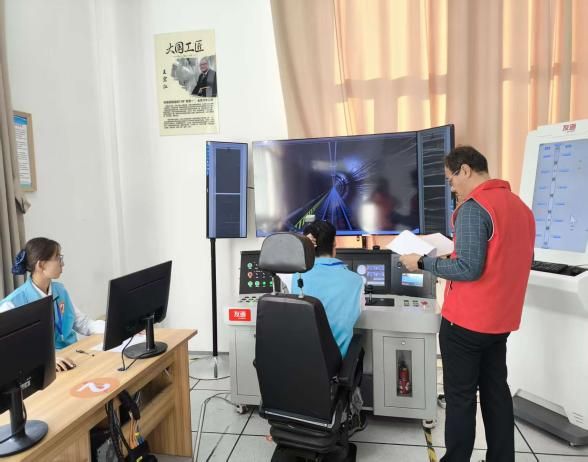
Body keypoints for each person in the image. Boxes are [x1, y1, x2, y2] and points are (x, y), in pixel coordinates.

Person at [399, 146, 535, 462]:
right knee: (495, 393)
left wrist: (422, 262)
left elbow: (469, 269)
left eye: (451, 179)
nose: (452, 188)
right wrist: (456, 255)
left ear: (465, 170)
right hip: (500, 321)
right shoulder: (520, 208)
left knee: (460, 398)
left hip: (466, 322)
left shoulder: (475, 208)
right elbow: (509, 258)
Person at [282, 220, 367, 434]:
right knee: (359, 348)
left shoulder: (292, 278)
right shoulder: (356, 281)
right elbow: (359, 312)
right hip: (333, 365)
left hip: (297, 361)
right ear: (334, 244)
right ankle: (353, 412)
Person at [0, 237, 105, 372]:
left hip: (73, 357)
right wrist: (46, 358)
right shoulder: (12, 304)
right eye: (58, 258)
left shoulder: (60, 290)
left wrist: (113, 327)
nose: (62, 263)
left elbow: (83, 323)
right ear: (41, 265)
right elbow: (10, 350)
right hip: (44, 368)